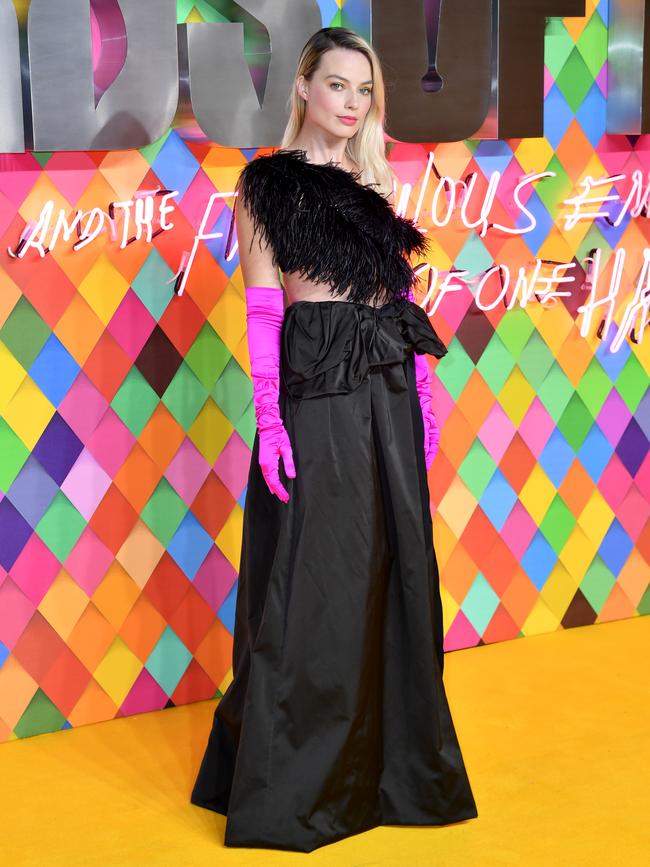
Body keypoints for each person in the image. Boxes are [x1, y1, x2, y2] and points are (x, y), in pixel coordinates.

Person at [190, 26, 478, 852]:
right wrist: (271, 416)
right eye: (339, 86)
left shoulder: (372, 185)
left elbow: (396, 303)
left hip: (385, 391)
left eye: (365, 92)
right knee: (312, 582)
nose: (352, 104)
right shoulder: (267, 186)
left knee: (393, 574)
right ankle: (295, 785)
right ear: (306, 88)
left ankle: (384, 773)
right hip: (316, 388)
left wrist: (421, 391)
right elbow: (262, 308)